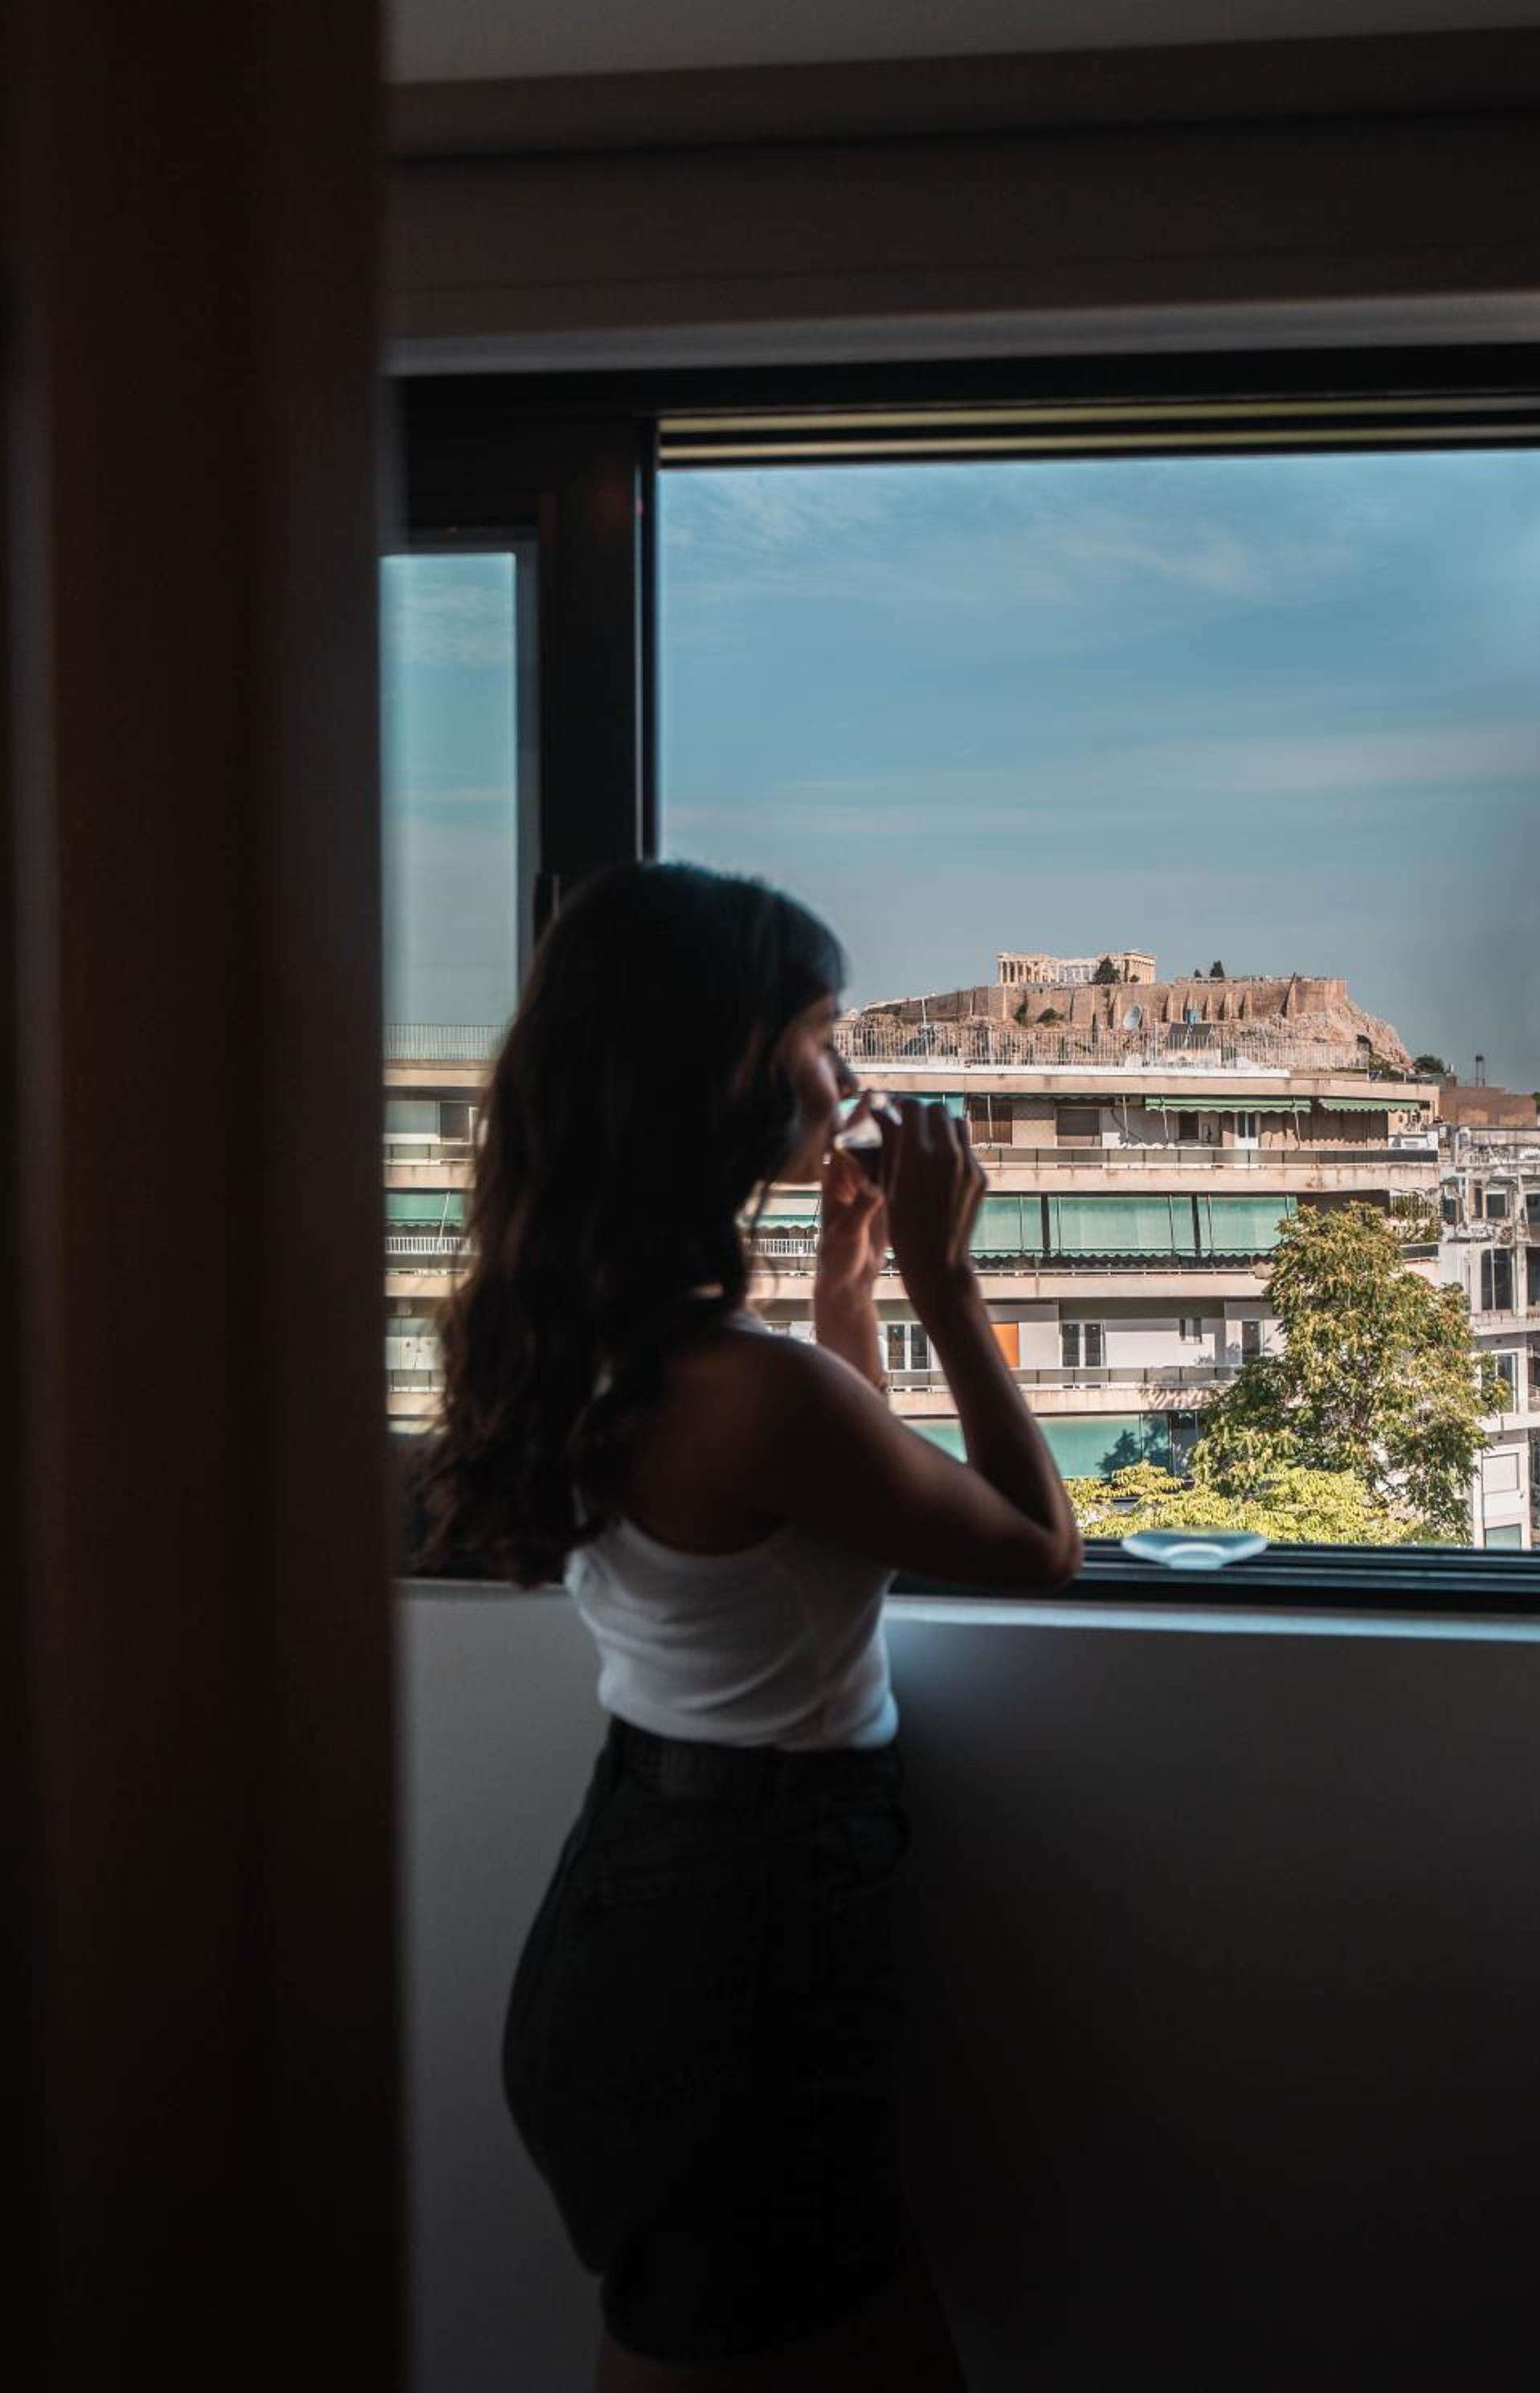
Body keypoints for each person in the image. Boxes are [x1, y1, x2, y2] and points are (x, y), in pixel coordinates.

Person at [423, 861, 1082, 2392]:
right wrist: (947, 1283)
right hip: (742, 1940)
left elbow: (828, 1490)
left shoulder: (609, 1340)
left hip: (646, 1893)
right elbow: (1038, 1545)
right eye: (824, 1036)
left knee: (754, 2334)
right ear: (726, 1071)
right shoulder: (748, 1391)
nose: (849, 1077)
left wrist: (850, 1280)